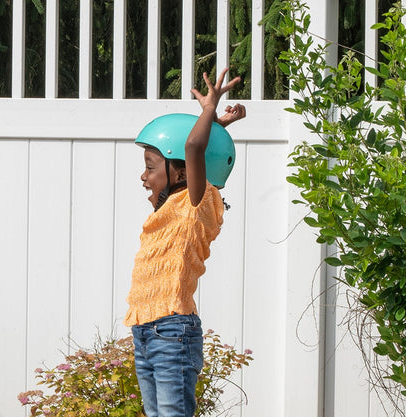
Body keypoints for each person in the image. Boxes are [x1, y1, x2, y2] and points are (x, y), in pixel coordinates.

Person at [125, 67, 245, 417]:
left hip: (171, 332)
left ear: (179, 172)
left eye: (150, 166)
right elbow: (189, 147)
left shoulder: (198, 203)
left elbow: (192, 147)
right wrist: (220, 126)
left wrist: (209, 108)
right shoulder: (168, 207)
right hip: (146, 332)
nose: (143, 176)